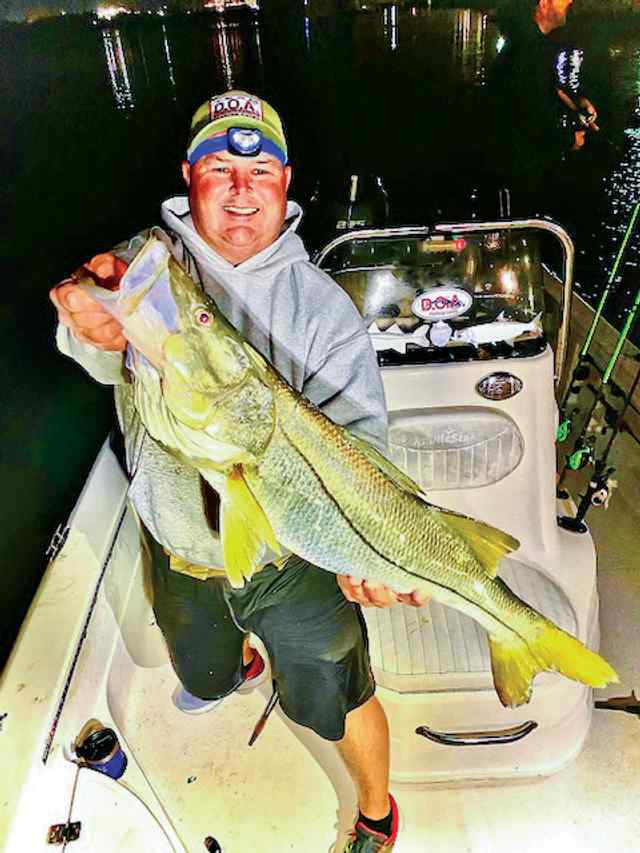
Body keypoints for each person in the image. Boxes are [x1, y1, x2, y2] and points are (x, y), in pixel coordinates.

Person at [50, 90, 429, 852]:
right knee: (206, 671)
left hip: (288, 553)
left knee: (334, 683)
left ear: (286, 183)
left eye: (260, 169)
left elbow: (364, 447)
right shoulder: (149, 266)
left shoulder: (324, 313)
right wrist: (83, 318)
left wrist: (372, 547)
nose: (240, 187)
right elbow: (96, 339)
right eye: (219, 166)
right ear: (188, 177)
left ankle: (378, 813)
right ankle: (237, 659)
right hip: (180, 545)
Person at [485, 0, 598, 213]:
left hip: (519, 171)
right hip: (516, 177)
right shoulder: (528, 52)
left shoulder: (529, 44)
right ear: (544, 4)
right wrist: (568, 140)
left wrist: (578, 102)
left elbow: (544, 92)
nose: (570, 1)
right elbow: (527, 117)